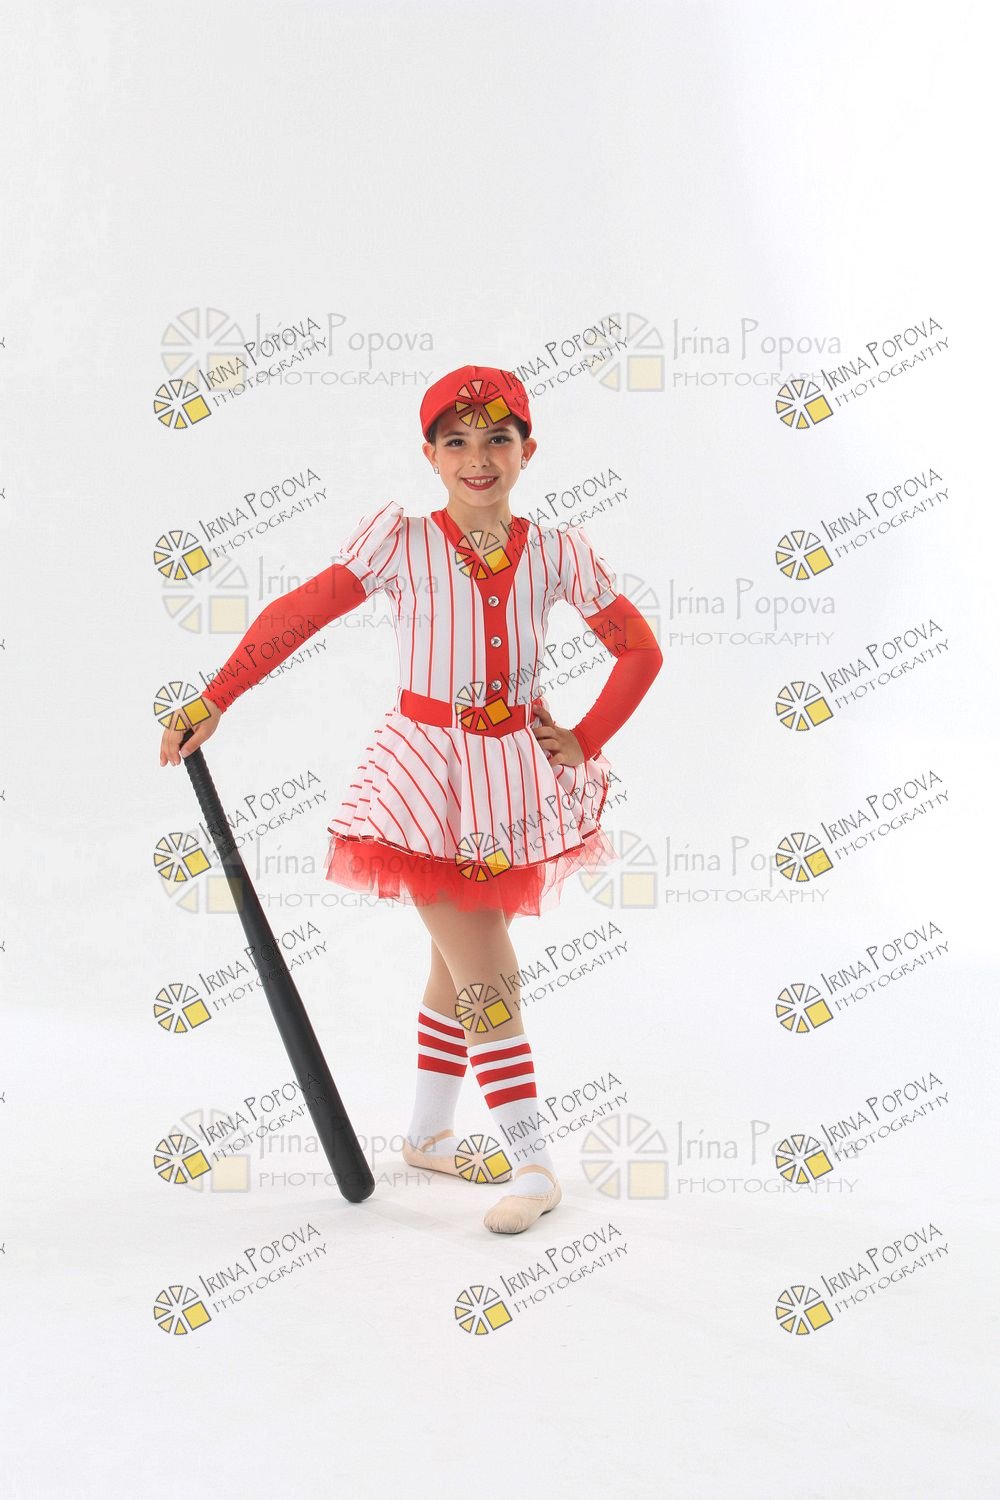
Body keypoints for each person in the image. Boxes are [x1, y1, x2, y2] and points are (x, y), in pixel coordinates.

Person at [159, 364, 663, 1234]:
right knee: (486, 964)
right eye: (456, 442)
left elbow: (640, 650)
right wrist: (217, 696)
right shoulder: (402, 543)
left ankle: (429, 1136)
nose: (479, 459)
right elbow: (301, 612)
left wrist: (584, 738)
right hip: (422, 781)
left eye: (498, 439)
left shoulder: (557, 551)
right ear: (430, 455)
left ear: (528, 450)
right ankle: (534, 1161)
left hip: (509, 780)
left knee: (454, 965)